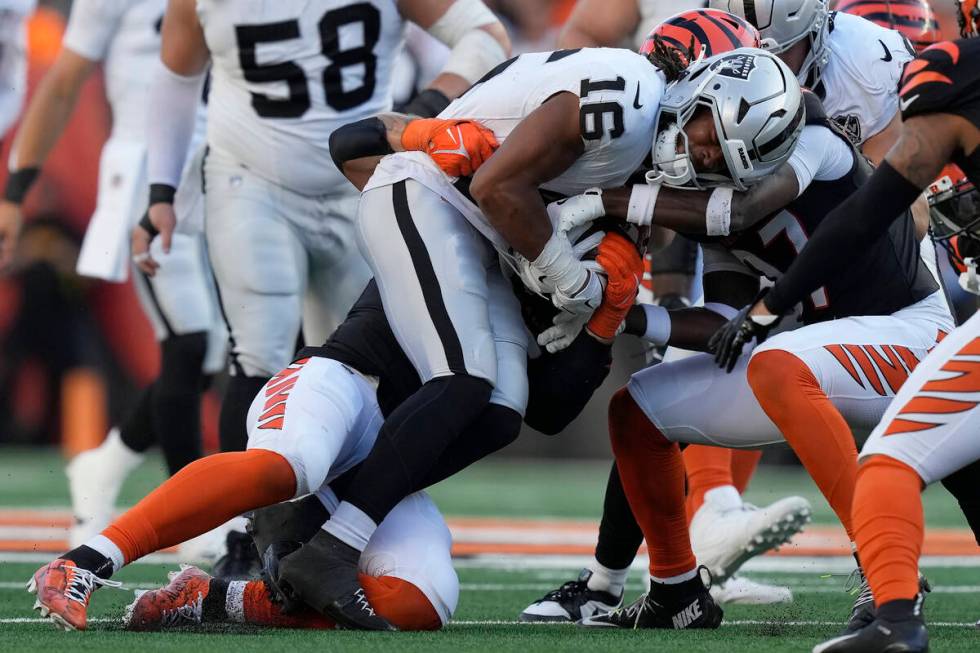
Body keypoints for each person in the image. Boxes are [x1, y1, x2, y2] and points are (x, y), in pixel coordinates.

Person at [133, 0, 510, 573]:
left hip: (362, 179)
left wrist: (415, 116)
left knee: (370, 373)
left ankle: (339, 525)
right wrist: (161, 191)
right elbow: (177, 80)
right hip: (251, 179)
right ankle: (245, 537)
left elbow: (484, 36)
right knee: (259, 350)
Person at [520, 8, 812, 620]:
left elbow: (725, 218)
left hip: (835, 327)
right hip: (762, 304)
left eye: (671, 74)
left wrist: (605, 202)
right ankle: (650, 576)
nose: (659, 88)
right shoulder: (686, 125)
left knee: (663, 398)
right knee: (651, 400)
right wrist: (631, 315)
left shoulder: (755, 153)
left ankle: (717, 527)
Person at [709, 22, 980, 652]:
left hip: (910, 318)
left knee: (890, 461)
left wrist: (769, 306)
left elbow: (870, 209)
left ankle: (895, 622)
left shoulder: (954, 70)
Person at [0, 0, 227, 548]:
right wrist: (15, 192)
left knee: (213, 351)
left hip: (223, 171)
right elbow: (62, 84)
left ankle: (106, 463)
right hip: (147, 172)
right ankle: (188, 511)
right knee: (189, 340)